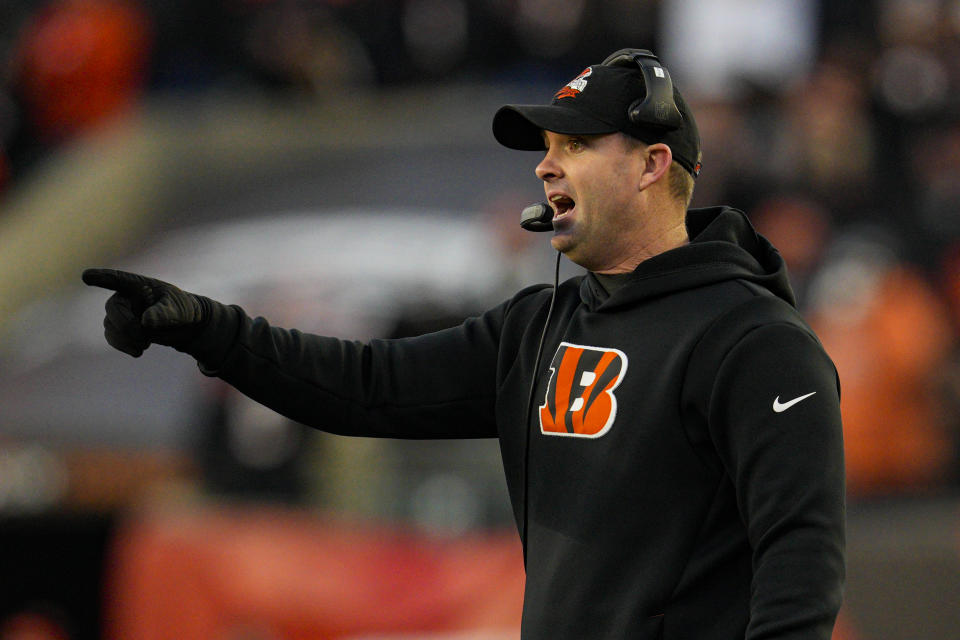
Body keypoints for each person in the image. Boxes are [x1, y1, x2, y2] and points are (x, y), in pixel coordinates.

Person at [83, 49, 845, 639]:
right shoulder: (536, 327)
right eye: (548, 146)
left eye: (576, 146)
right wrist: (206, 329)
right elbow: (364, 385)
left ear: (651, 166)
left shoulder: (755, 341)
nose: (547, 164)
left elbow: (801, 553)